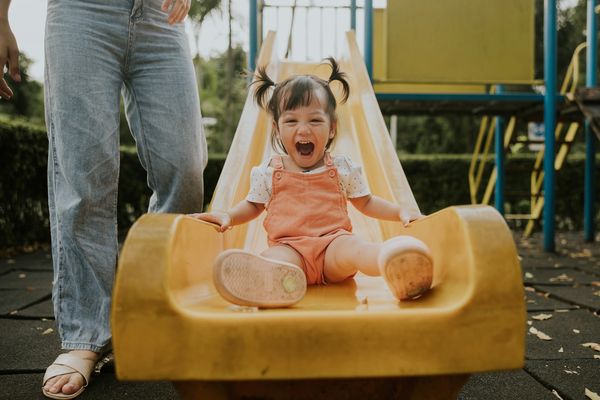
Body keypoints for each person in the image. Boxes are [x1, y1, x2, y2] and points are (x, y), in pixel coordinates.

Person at [1, 0, 207, 398]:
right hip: (82, 12)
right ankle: (85, 334)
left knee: (185, 169)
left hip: (160, 17)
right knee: (84, 177)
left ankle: (152, 303)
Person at [193, 58, 434, 309]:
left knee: (355, 249)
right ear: (277, 129)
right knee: (274, 260)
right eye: (291, 121)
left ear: (332, 128)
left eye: (315, 120)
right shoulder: (268, 171)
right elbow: (252, 206)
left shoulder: (341, 168)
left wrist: (400, 211)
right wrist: (228, 216)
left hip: (333, 246)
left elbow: (367, 202)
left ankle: (394, 262)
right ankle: (271, 284)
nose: (304, 130)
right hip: (290, 249)